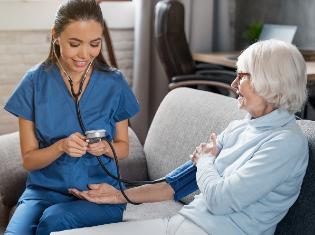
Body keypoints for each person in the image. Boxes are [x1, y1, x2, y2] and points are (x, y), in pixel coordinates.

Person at [67, 39, 309, 235]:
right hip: (181, 223)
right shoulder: (240, 128)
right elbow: (174, 185)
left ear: (269, 81)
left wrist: (205, 161)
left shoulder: (284, 143)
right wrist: (115, 194)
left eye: (242, 76)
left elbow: (220, 200)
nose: (234, 84)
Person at [4, 0, 139, 234]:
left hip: (100, 194)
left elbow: (124, 148)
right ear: (56, 35)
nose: (85, 54)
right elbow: (29, 160)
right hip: (43, 192)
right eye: (75, 44)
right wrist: (61, 147)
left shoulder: (114, 83)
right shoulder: (34, 82)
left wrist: (106, 147)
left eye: (94, 44)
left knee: (53, 221)